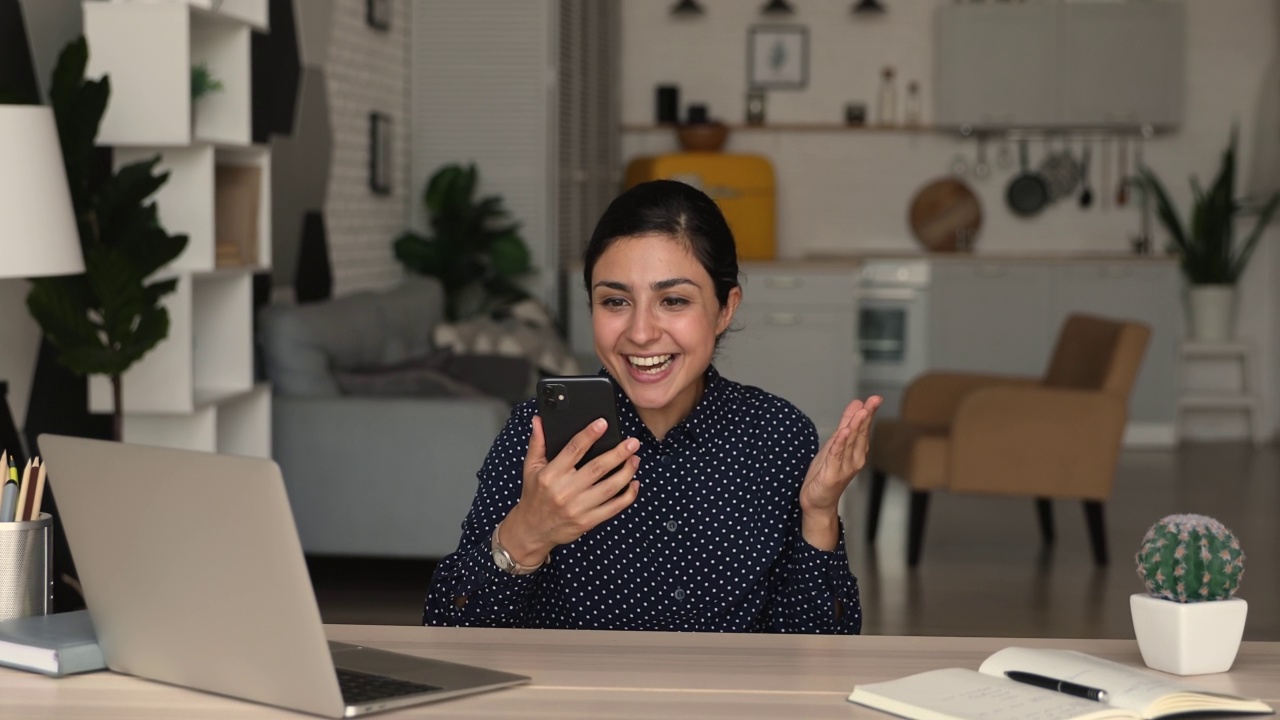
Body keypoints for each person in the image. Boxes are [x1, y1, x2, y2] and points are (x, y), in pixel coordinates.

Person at [424, 179, 881, 633]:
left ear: (725, 308)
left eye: (674, 300)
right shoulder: (536, 436)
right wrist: (529, 532)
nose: (641, 332)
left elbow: (822, 647)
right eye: (615, 301)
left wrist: (820, 514)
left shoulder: (776, 435)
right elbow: (448, 631)